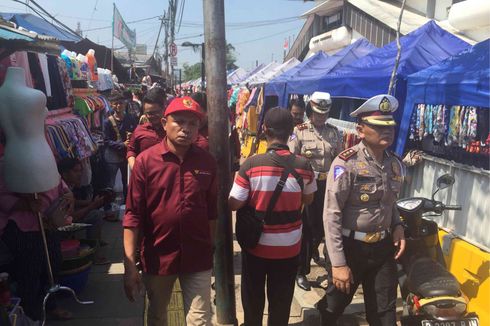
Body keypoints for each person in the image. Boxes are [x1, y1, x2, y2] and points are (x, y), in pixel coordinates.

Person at [123, 97, 217, 326]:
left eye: (192, 124)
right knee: (157, 315)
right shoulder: (146, 162)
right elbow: (133, 214)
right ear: (164, 123)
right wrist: (129, 266)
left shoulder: (207, 162)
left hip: (197, 256)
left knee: (200, 319)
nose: (186, 129)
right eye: (179, 122)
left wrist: (210, 245)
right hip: (159, 257)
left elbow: (212, 211)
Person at [317, 94, 406, 325]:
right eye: (377, 126)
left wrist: (397, 225)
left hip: (383, 248)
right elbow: (331, 214)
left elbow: (389, 201)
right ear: (360, 130)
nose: (386, 131)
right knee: (334, 306)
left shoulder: (394, 163)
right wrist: (338, 264)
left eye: (389, 127)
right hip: (350, 247)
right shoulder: (345, 163)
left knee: (384, 312)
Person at [229, 107, 317, 326]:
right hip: (289, 247)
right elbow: (309, 200)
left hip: (256, 245)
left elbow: (234, 203)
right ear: (291, 131)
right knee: (281, 299)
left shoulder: (251, 164)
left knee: (253, 296)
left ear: (265, 130)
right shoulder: (304, 166)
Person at [0, 161, 73, 321]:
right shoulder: (8, 162)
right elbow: (3, 196)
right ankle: (31, 316)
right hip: (23, 228)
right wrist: (24, 204)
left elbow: (58, 181)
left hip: (50, 224)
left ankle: (52, 305)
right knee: (29, 272)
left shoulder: (44, 156)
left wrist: (67, 194)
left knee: (53, 264)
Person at [288, 92, 342, 291]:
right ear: (310, 110)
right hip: (307, 187)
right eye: (318, 113)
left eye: (324, 113)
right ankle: (301, 271)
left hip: (327, 187)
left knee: (325, 228)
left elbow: (339, 162)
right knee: (306, 230)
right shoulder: (299, 131)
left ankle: (329, 269)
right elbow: (291, 160)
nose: (321, 117)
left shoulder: (334, 133)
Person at [57, 158, 109, 264]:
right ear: (65, 174)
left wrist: (89, 203)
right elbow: (71, 217)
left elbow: (74, 202)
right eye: (76, 171)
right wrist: (92, 206)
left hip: (65, 217)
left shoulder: (67, 185)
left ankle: (96, 242)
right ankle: (94, 255)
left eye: (80, 170)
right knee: (95, 215)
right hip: (60, 224)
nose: (80, 174)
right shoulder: (62, 189)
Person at [103, 92, 137, 213]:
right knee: (110, 183)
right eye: (116, 103)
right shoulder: (108, 122)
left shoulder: (130, 118)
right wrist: (121, 144)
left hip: (126, 155)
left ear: (125, 104)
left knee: (127, 181)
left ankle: (127, 205)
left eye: (121, 103)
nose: (119, 106)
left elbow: (136, 133)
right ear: (112, 105)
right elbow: (106, 141)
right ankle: (107, 206)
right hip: (112, 157)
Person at [127, 89, 167, 170]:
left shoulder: (172, 130)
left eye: (156, 112)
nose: (152, 116)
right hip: (145, 177)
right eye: (149, 113)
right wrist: (135, 169)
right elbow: (131, 151)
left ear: (164, 109)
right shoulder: (139, 130)